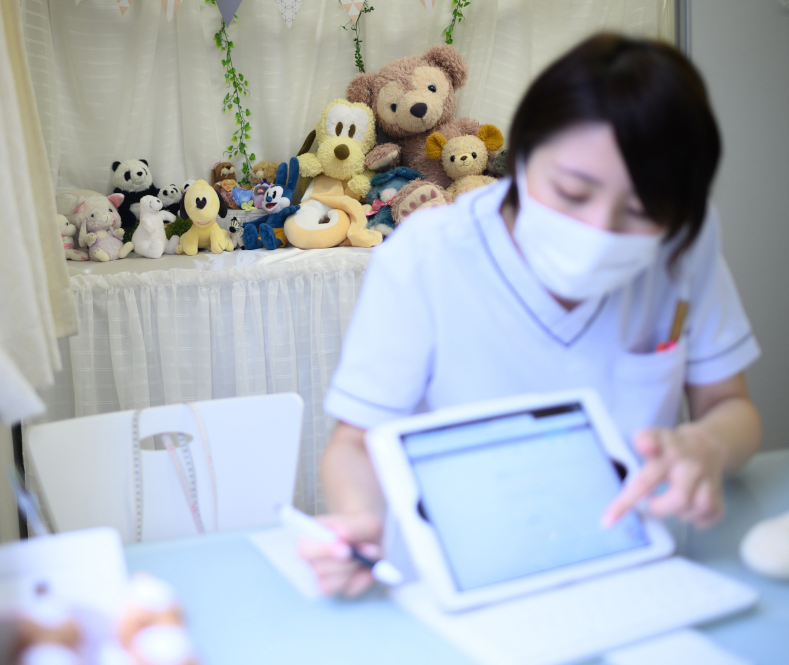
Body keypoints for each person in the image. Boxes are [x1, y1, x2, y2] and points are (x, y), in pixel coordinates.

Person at [302, 33, 763, 598]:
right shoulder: (430, 255)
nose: (598, 230)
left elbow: (730, 406)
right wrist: (359, 523)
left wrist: (707, 447)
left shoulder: (684, 242)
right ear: (519, 158)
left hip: (631, 568)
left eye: (640, 210)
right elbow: (355, 442)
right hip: (464, 577)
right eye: (572, 192)